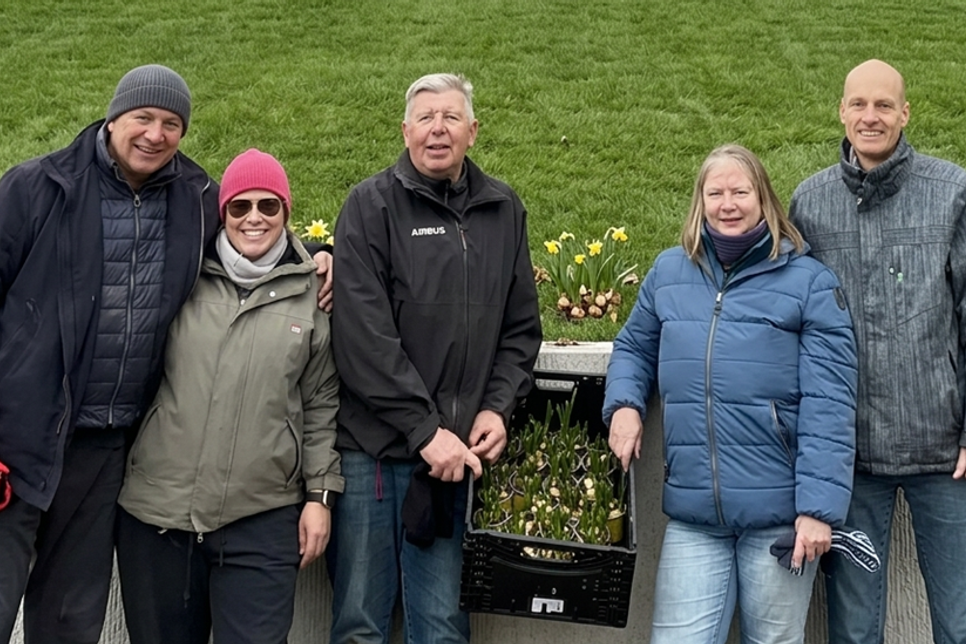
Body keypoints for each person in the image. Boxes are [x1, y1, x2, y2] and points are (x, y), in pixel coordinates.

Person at [0, 65, 331, 644]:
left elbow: (254, 238)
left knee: (68, 621)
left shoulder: (195, 200)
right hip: (17, 440)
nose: (155, 134)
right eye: (143, 118)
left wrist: (323, 254)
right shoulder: (36, 188)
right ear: (113, 117)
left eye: (171, 123)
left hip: (103, 450)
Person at [604, 144, 857, 644]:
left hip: (781, 519)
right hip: (696, 517)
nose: (728, 204)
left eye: (740, 191)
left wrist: (818, 511)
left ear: (763, 199)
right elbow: (633, 346)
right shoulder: (669, 273)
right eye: (715, 192)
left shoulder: (810, 284)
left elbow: (831, 404)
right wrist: (626, 405)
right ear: (700, 202)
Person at [327, 72, 542, 643]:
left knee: (443, 627)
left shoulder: (503, 210)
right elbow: (361, 338)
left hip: (453, 461)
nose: (437, 130)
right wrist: (425, 430)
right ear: (405, 130)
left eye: (450, 118)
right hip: (373, 455)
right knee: (358, 626)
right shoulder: (370, 206)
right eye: (425, 118)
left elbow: (521, 332)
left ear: (473, 130)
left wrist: (496, 408)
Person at [114, 148, 343, 644]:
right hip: (158, 516)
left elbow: (321, 404)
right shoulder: (180, 273)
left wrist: (320, 497)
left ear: (287, 211)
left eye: (269, 205)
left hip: (261, 518)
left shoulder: (315, 290)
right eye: (240, 206)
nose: (254, 218)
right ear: (222, 213)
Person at [789, 59, 966, 644]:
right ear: (841, 111)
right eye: (859, 105)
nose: (871, 117)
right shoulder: (810, 203)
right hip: (852, 462)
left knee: (960, 620)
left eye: (884, 105)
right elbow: (795, 326)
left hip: (944, 458)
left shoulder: (952, 194)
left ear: (905, 112)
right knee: (854, 628)